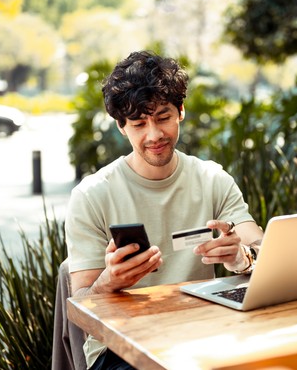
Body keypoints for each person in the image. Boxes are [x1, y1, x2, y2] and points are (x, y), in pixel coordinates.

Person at [65, 50, 264, 370]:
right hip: (120, 350)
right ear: (121, 126)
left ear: (181, 112)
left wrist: (242, 258)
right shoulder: (92, 195)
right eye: (139, 123)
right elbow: (82, 302)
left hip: (203, 332)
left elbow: (261, 250)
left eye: (163, 117)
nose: (154, 135)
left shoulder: (213, 180)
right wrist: (109, 280)